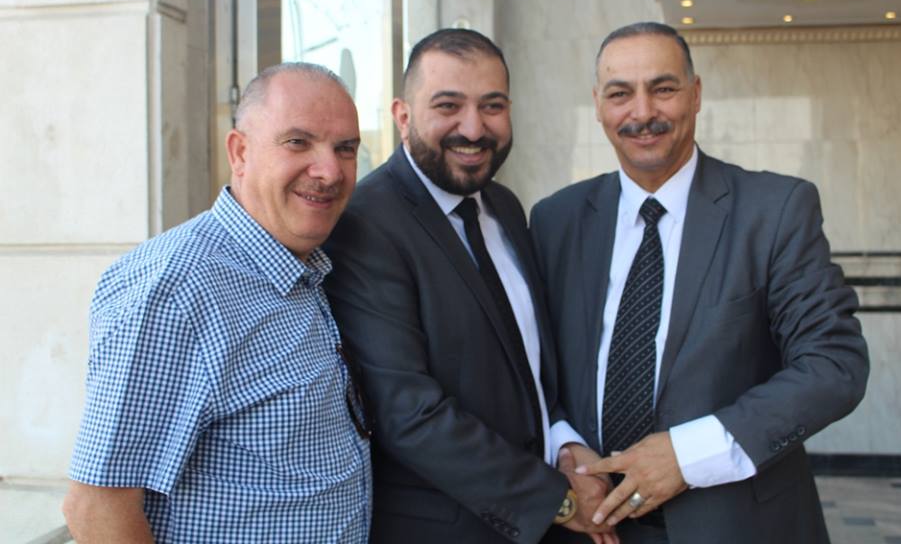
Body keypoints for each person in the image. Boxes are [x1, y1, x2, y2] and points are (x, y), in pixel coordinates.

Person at [529, 22, 869, 543]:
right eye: (620, 94)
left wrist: (686, 457)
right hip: (591, 526)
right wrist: (565, 444)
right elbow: (535, 366)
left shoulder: (775, 211)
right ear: (598, 105)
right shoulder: (556, 220)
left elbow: (833, 363)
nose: (642, 112)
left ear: (696, 94)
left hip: (736, 525)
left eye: (662, 88)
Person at [323, 28, 616, 544]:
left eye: (492, 106)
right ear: (402, 116)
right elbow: (407, 412)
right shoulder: (365, 224)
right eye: (448, 105)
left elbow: (528, 365)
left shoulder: (504, 206)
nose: (474, 128)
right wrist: (556, 500)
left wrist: (565, 444)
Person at [62, 63, 372, 543]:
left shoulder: (300, 264)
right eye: (298, 142)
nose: (329, 171)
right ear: (240, 152)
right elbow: (97, 507)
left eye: (345, 149)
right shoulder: (179, 287)